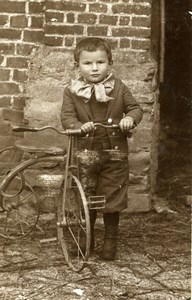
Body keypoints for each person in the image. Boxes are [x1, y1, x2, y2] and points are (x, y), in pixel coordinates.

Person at [61, 37, 143, 261]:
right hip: (85, 153)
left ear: (110, 63)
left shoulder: (118, 87)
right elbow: (67, 117)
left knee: (111, 196)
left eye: (100, 62)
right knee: (86, 195)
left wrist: (129, 119)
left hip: (113, 153)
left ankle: (110, 240)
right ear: (77, 65)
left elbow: (136, 108)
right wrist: (78, 126)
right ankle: (85, 238)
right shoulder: (72, 91)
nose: (94, 68)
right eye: (87, 63)